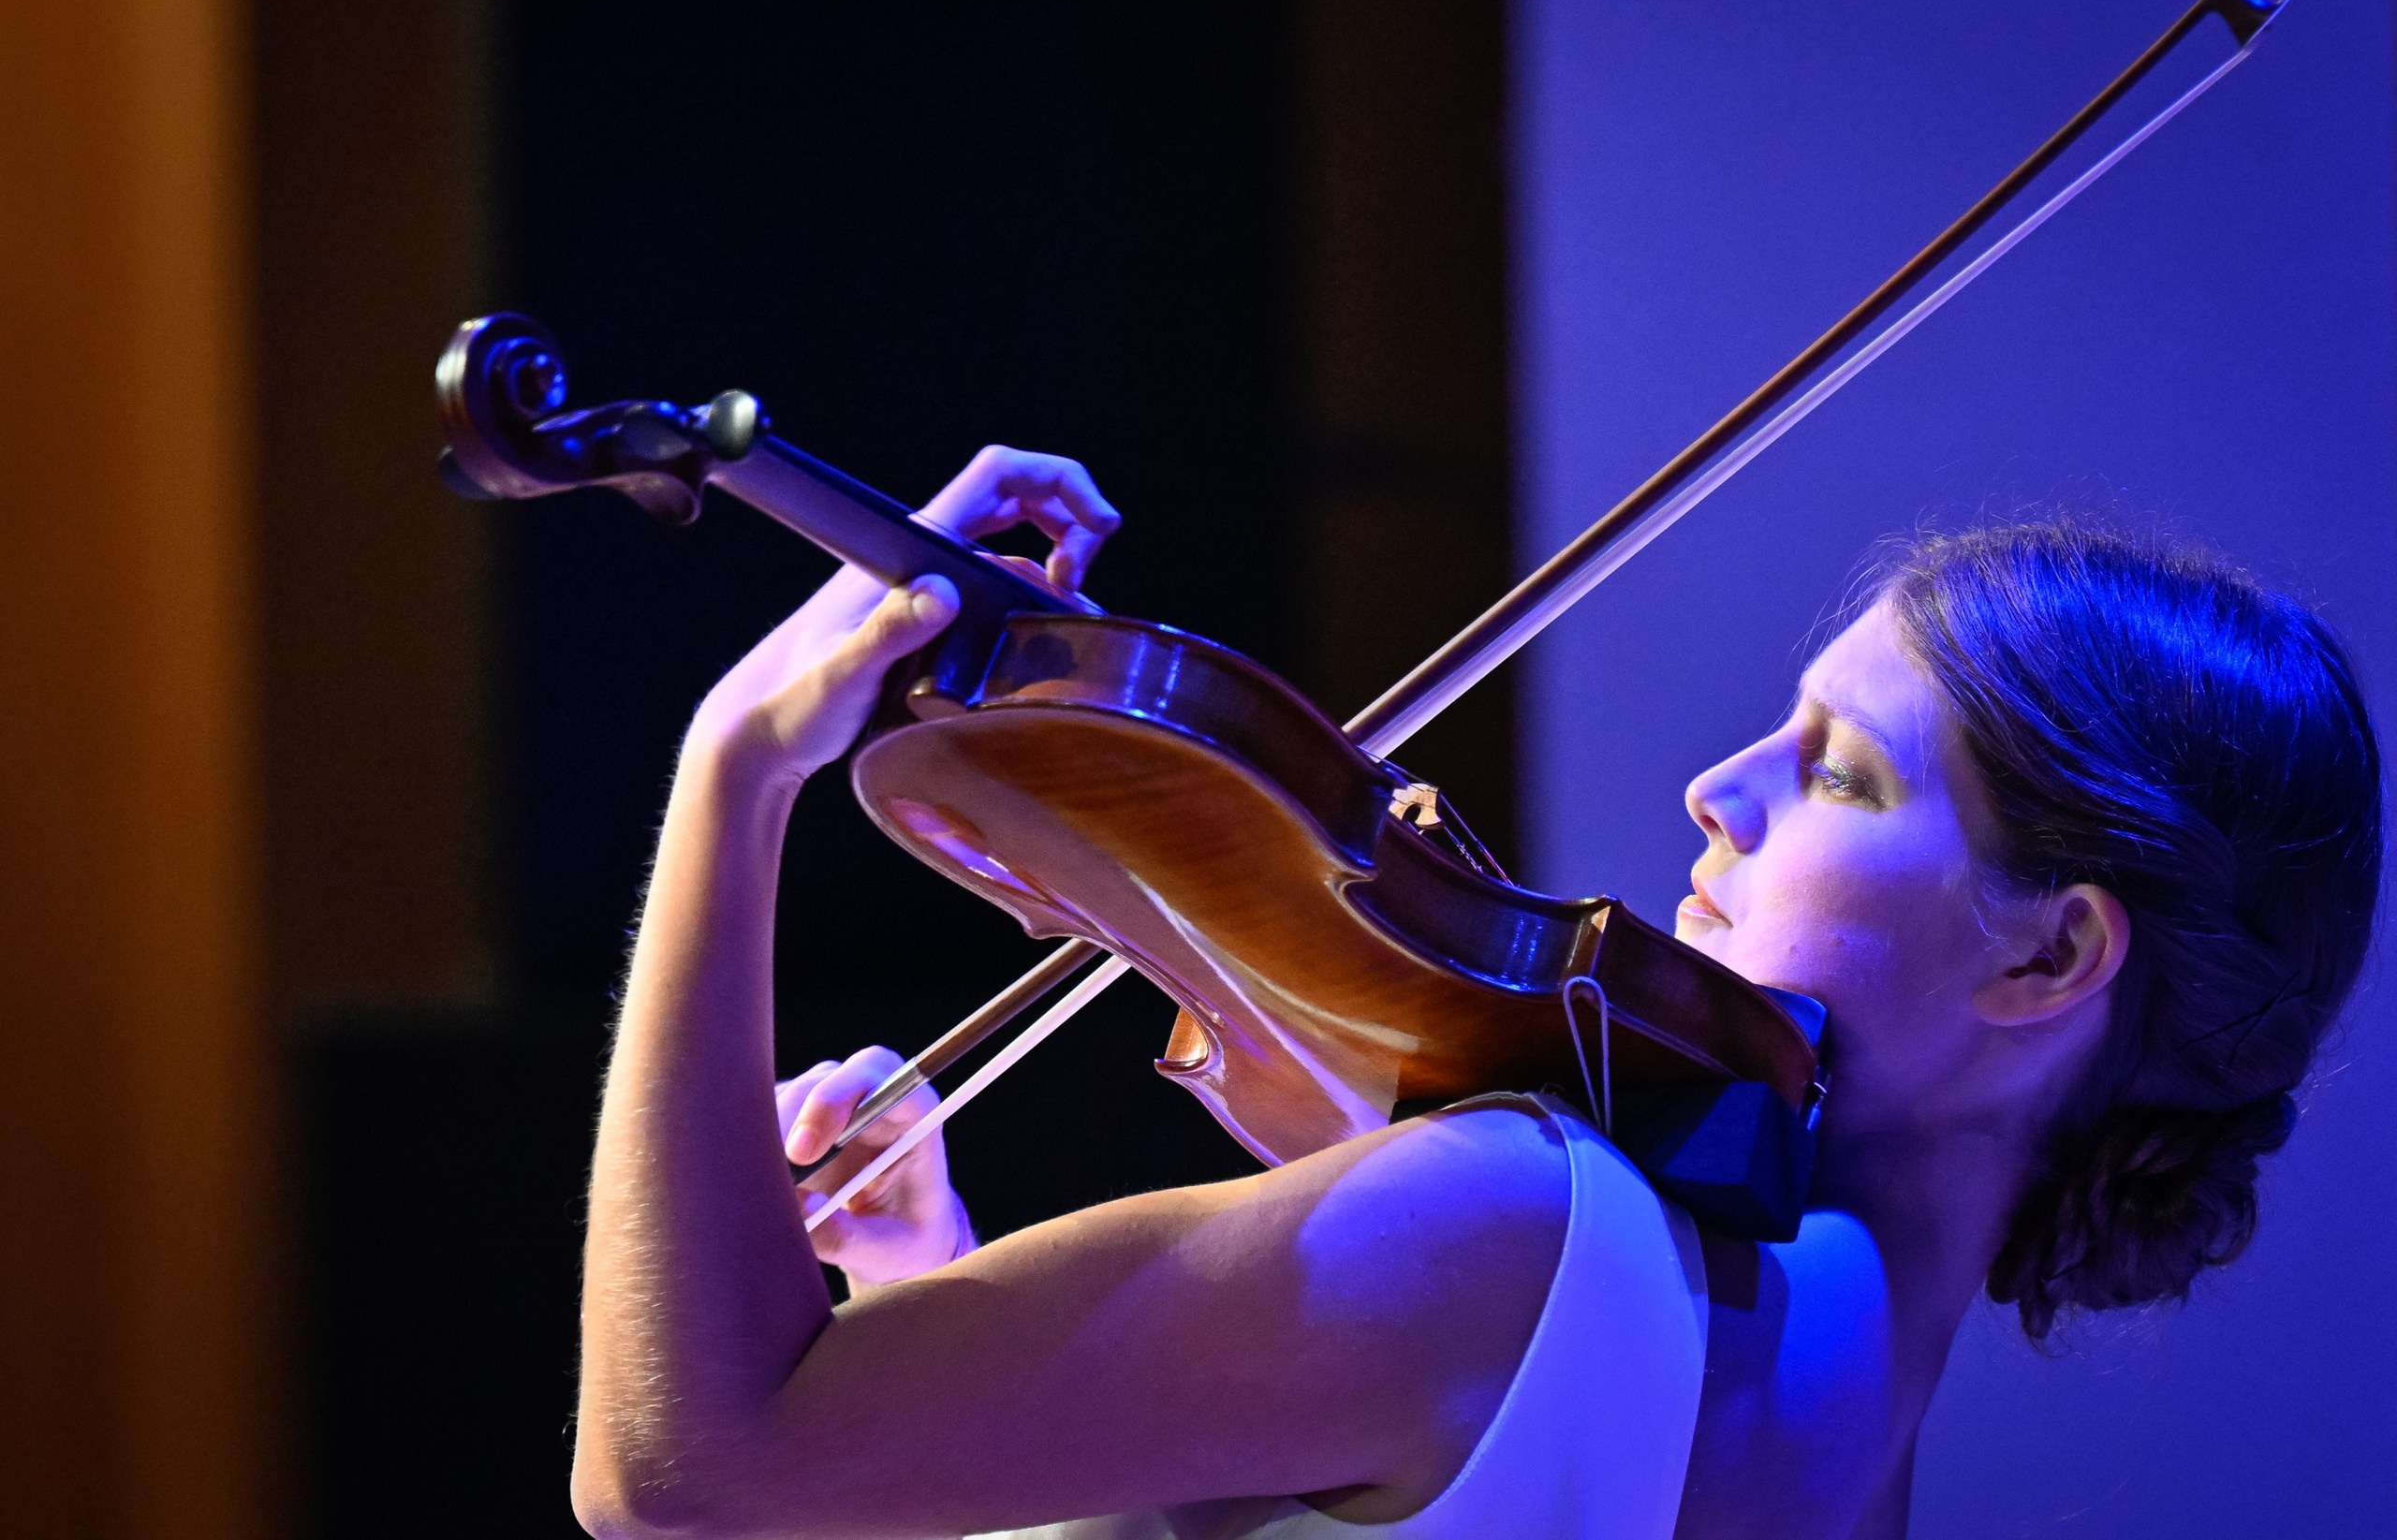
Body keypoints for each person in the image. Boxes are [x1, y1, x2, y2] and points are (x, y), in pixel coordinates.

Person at [566, 447, 2381, 1540]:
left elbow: (682, 1467)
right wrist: (921, 1286)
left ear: (2047, 953)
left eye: (1838, 775)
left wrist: (733, 771)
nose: (1718, 787)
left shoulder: (1519, 1227)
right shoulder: (1854, 1418)